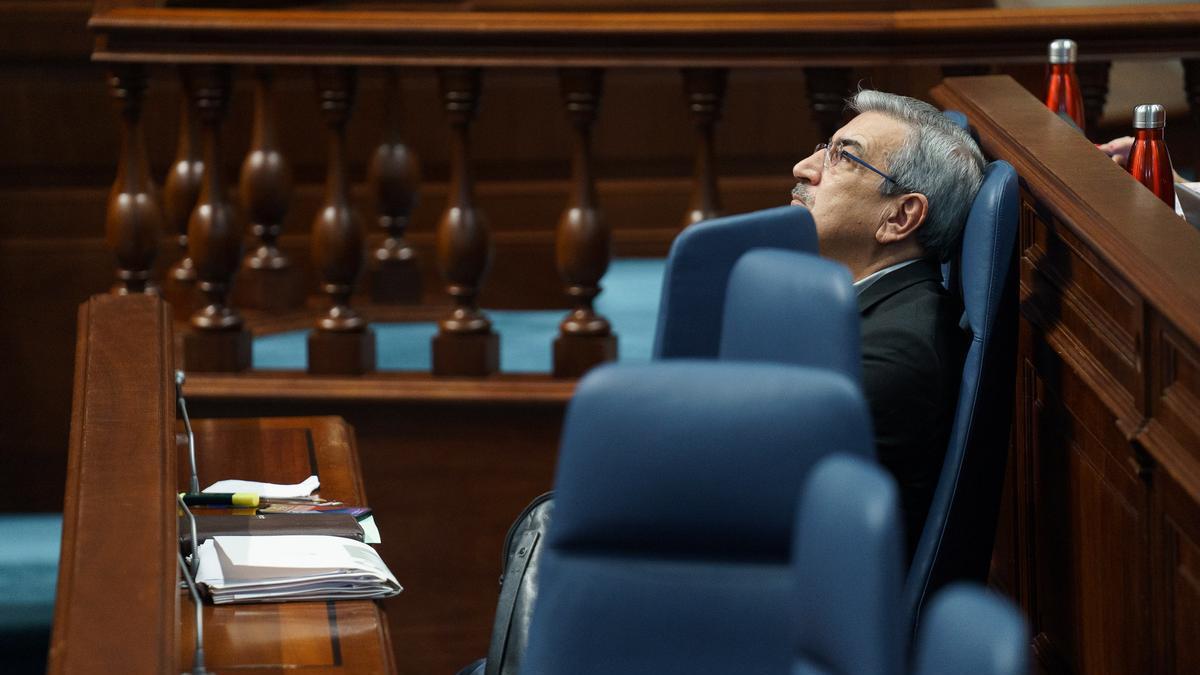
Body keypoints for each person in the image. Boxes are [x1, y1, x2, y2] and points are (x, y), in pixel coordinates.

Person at [790, 90, 985, 556]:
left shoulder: (898, 352)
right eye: (825, 148)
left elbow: (763, 488)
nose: (804, 168)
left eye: (843, 158)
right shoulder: (851, 307)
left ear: (899, 217)